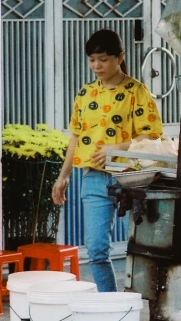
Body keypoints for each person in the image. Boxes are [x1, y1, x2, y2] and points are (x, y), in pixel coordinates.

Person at [51, 29, 162, 292]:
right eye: (92, 60)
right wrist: (63, 176)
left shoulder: (137, 91)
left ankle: (141, 302)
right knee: (97, 249)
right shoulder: (85, 93)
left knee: (146, 247)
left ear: (120, 57)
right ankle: (110, 305)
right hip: (93, 178)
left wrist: (116, 148)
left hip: (132, 177)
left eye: (103, 59)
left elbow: (152, 135)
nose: (96, 66)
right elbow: (76, 137)